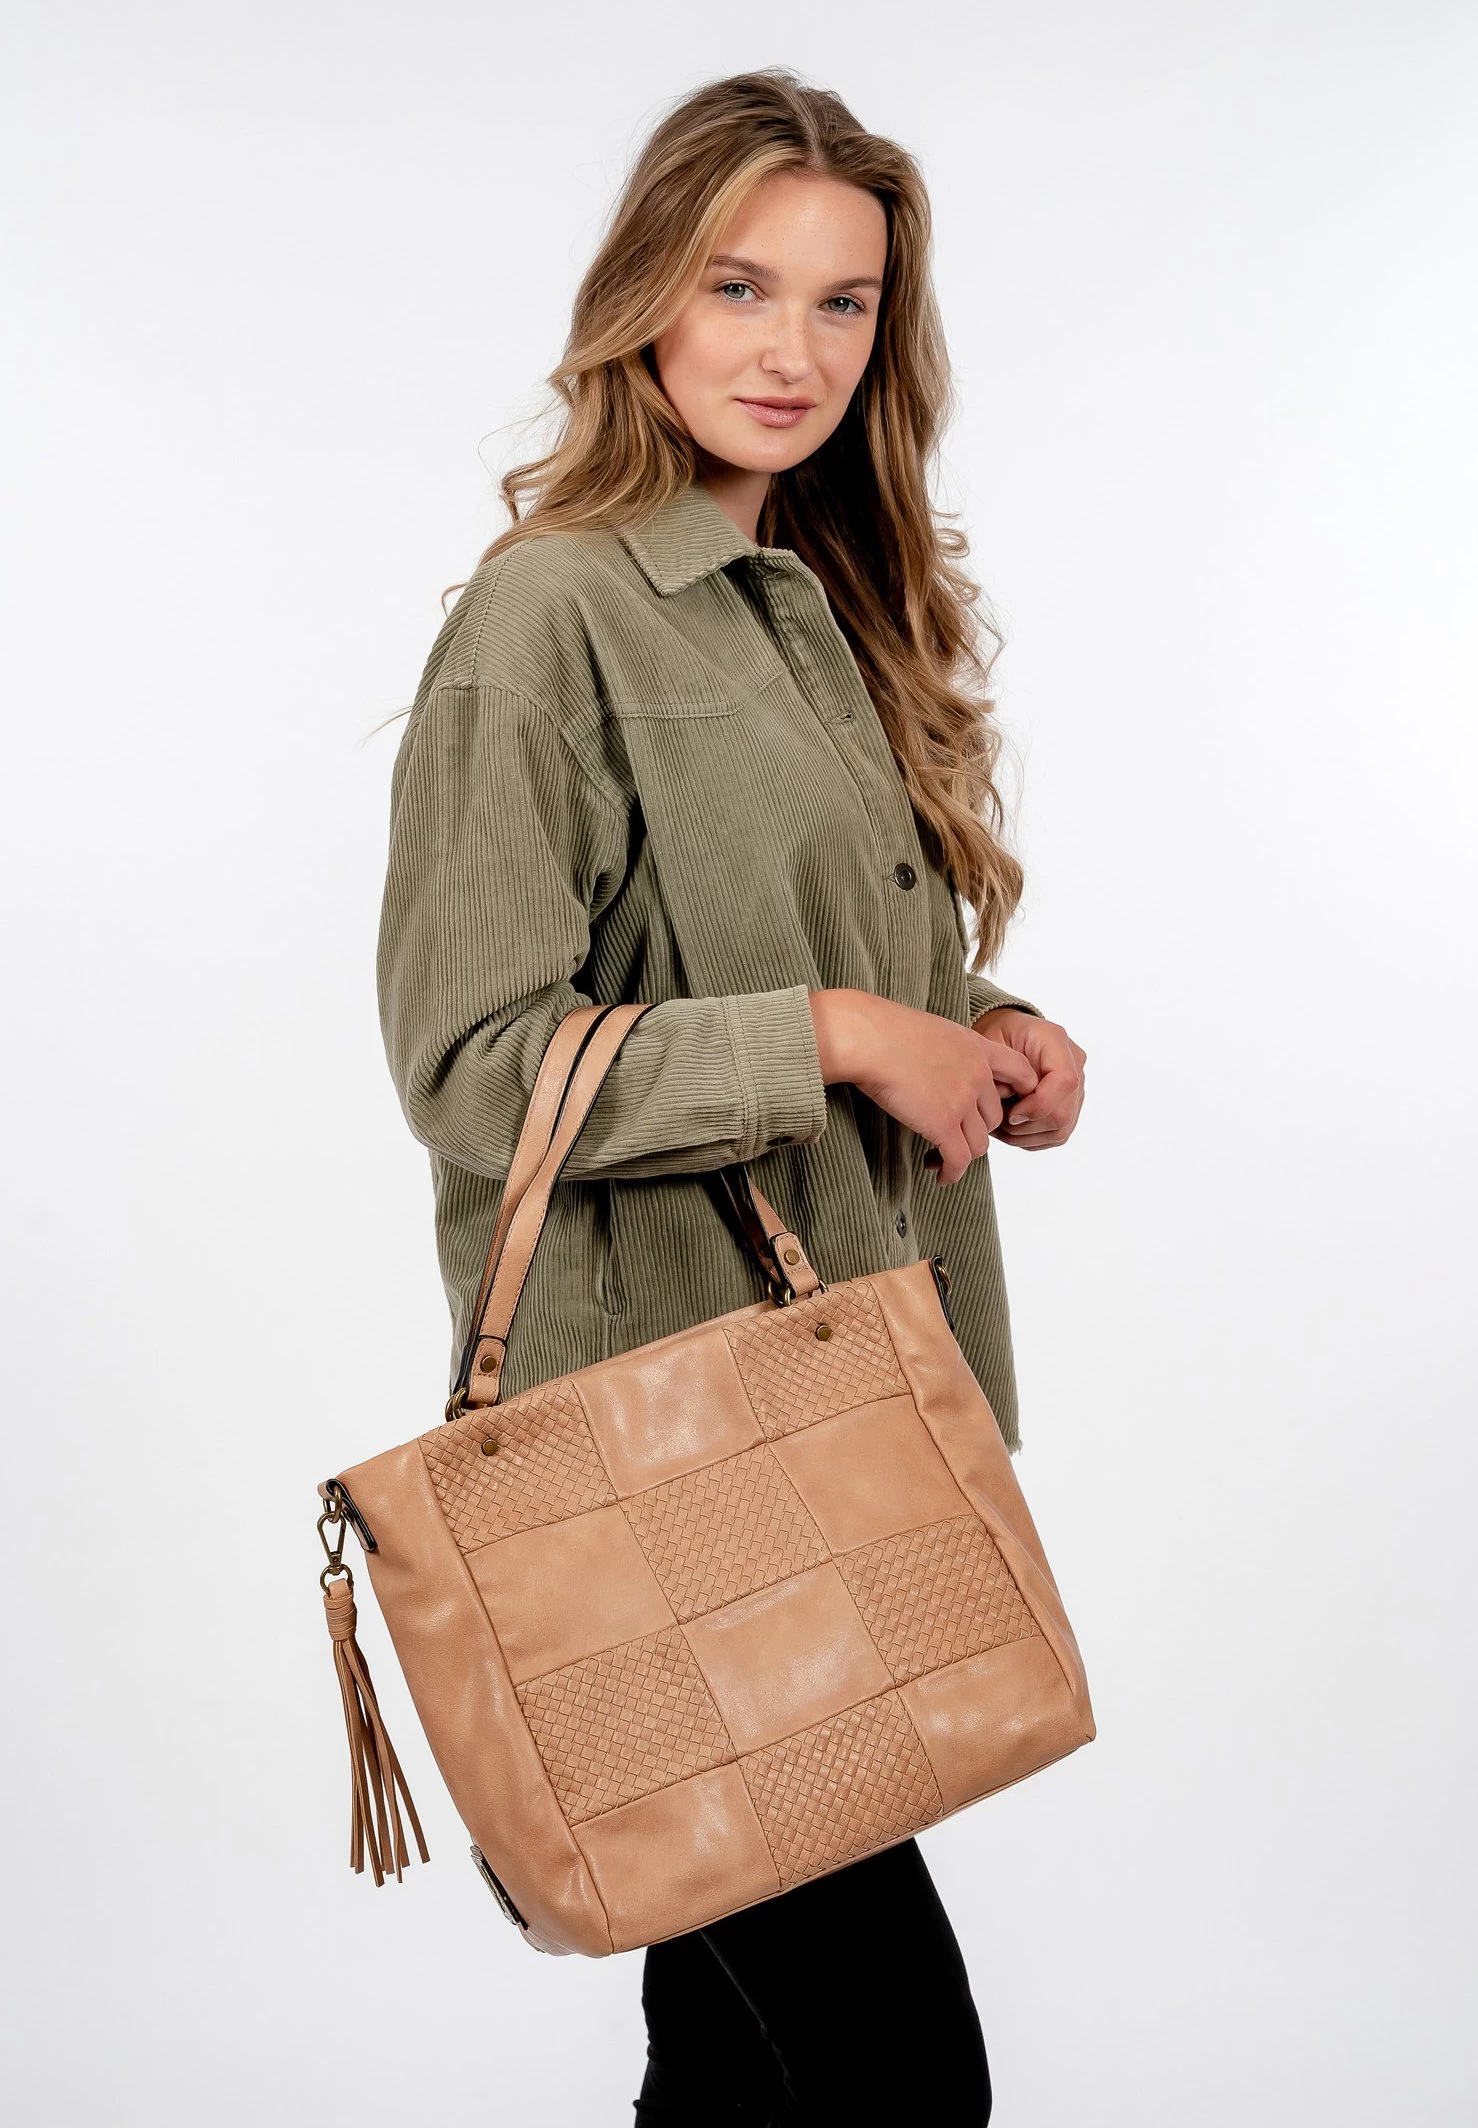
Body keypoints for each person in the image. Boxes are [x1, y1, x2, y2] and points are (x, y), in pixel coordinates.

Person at [374, 64, 1086, 2128]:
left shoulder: (833, 601)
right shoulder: (550, 616)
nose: (792, 350)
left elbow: (790, 950)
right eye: (738, 286)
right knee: (892, 2075)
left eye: (843, 302)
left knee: (735, 2065)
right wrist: (841, 1036)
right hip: (670, 1455)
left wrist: (983, 1028)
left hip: (846, 1405)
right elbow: (468, 1059)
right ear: (646, 301)